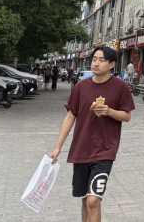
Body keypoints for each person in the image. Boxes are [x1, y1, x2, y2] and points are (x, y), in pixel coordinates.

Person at [50, 46, 135, 222]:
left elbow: (127, 116)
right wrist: (58, 147)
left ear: (111, 64)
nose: (96, 63)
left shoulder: (120, 87)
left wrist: (109, 111)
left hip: (105, 151)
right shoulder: (81, 87)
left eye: (101, 60)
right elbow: (70, 116)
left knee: (93, 200)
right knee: (85, 199)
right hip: (81, 149)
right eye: (94, 59)